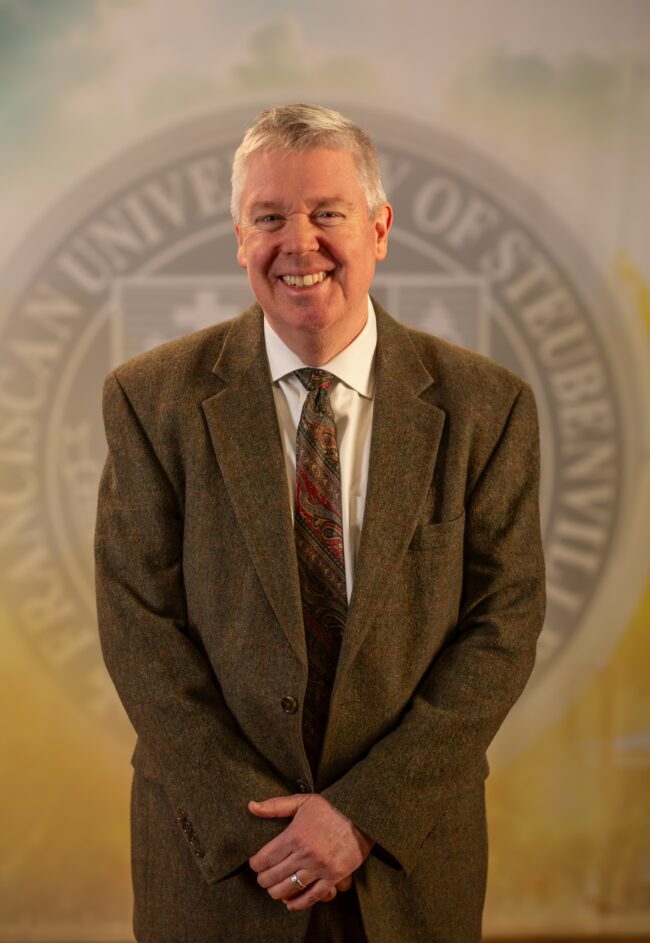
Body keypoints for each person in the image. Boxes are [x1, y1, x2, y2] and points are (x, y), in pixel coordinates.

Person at [94, 104, 545, 943]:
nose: (298, 244)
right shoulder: (149, 400)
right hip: (220, 866)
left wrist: (363, 813)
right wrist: (259, 827)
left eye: (327, 213)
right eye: (269, 217)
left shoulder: (487, 407)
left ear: (380, 228)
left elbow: (503, 626)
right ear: (239, 238)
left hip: (408, 859)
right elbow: (138, 628)